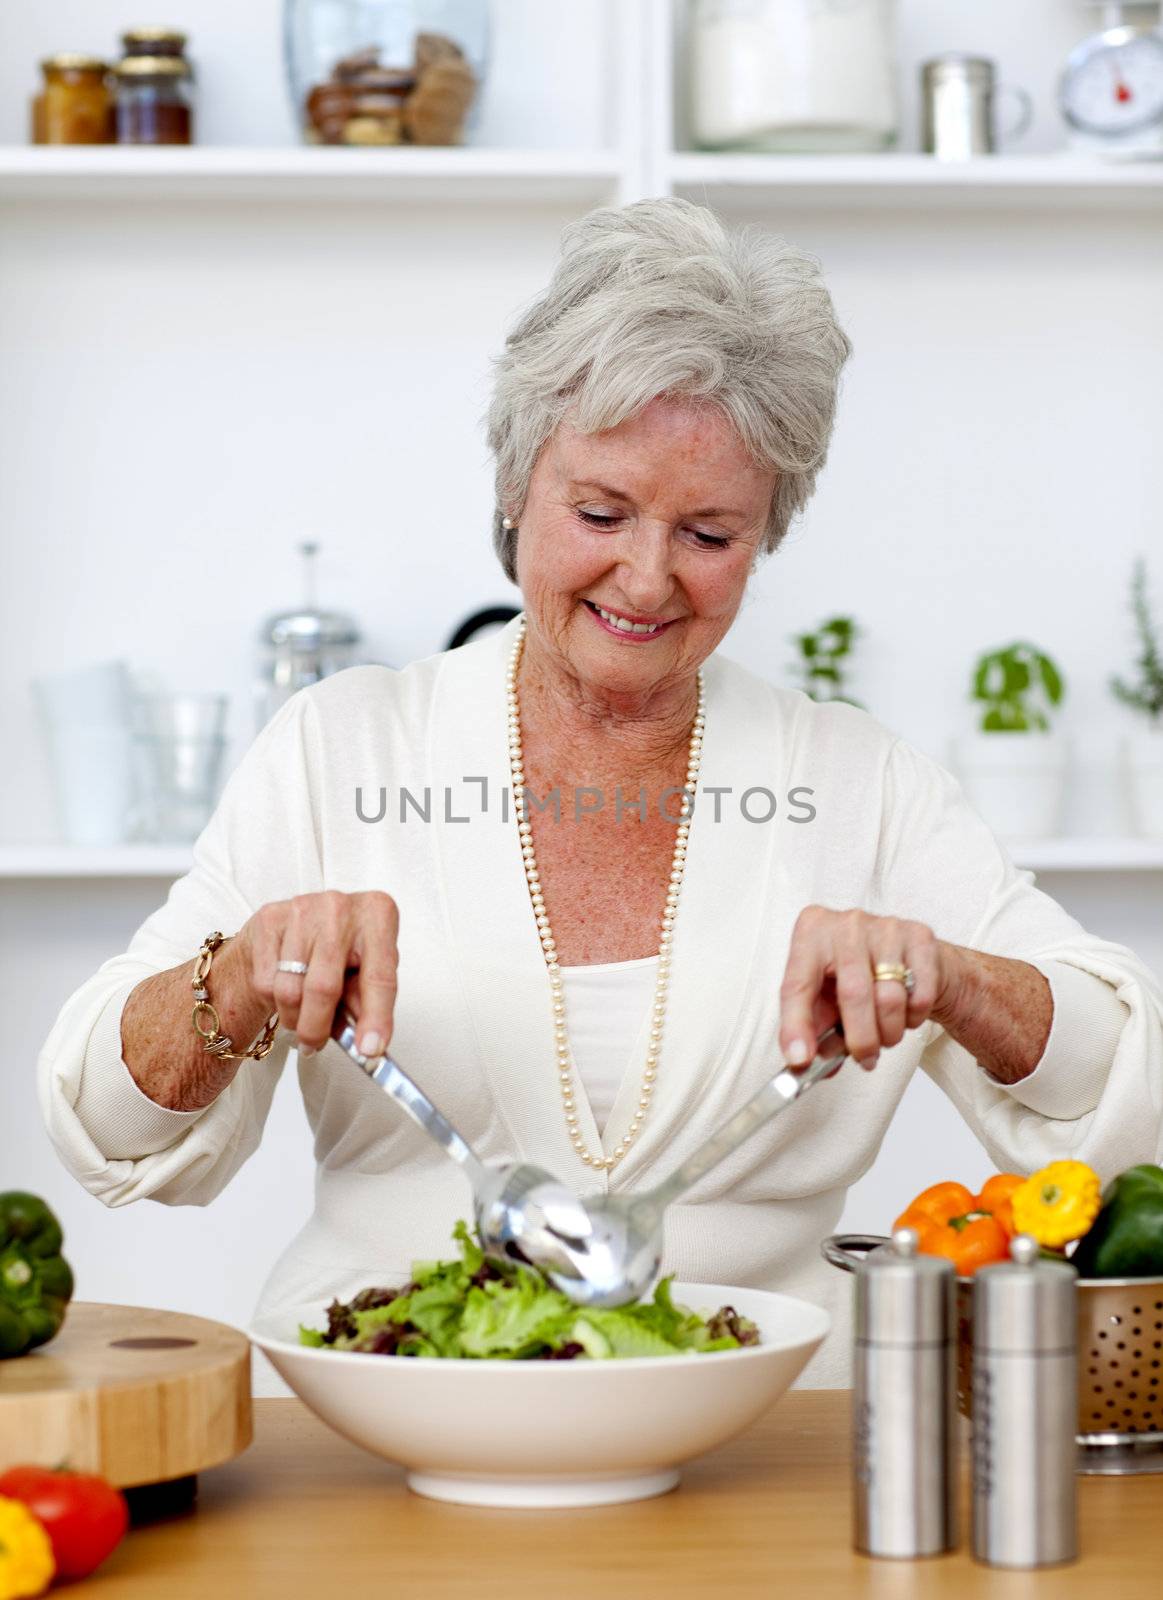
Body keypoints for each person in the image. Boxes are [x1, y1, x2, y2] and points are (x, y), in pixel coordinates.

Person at [38, 199, 1163, 1383]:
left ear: (767, 534)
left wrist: (954, 976)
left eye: (710, 533)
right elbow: (111, 1128)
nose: (645, 576)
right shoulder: (342, 750)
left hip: (768, 1423)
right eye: (600, 512)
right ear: (517, 485)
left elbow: (1123, 1099)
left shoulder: (857, 782)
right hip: (379, 1395)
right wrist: (239, 969)